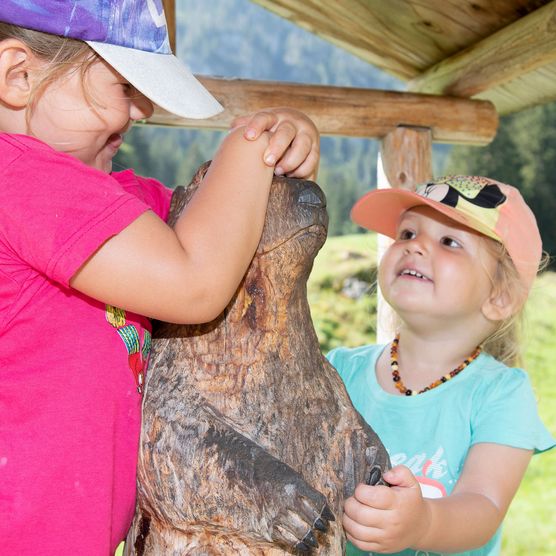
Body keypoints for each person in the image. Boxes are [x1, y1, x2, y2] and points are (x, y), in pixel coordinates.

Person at [0, 1, 320, 554]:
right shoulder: (16, 178)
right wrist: (251, 147)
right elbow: (195, 281)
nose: (142, 111)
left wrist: (287, 135)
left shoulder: (106, 198)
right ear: (20, 76)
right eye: (125, 87)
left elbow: (215, 229)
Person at [327, 175, 556, 556]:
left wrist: (424, 523)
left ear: (499, 297)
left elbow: (484, 506)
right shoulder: (339, 370)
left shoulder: (501, 393)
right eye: (406, 233)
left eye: (449, 241)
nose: (414, 246)